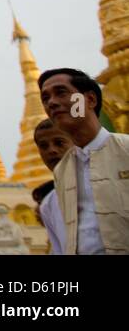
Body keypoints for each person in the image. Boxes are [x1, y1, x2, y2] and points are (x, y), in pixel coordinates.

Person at [39, 67, 129, 254]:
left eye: (61, 93)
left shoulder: (125, 149)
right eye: (46, 98)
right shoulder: (63, 171)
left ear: (90, 100)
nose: (52, 103)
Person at [31, 118, 73, 254]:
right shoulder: (48, 204)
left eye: (59, 143)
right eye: (44, 146)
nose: (52, 150)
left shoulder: (99, 184)